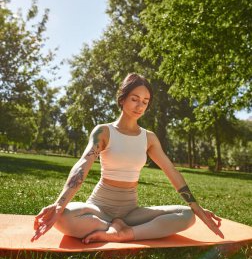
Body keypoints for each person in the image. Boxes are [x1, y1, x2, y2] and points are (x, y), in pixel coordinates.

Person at [32, 73, 224, 243]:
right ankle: (116, 227)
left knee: (187, 216)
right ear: (122, 99)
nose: (140, 105)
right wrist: (59, 204)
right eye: (135, 99)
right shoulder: (104, 131)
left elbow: (171, 171)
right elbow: (82, 165)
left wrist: (197, 208)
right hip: (99, 208)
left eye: (145, 101)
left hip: (131, 212)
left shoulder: (148, 138)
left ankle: (124, 233)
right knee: (64, 217)